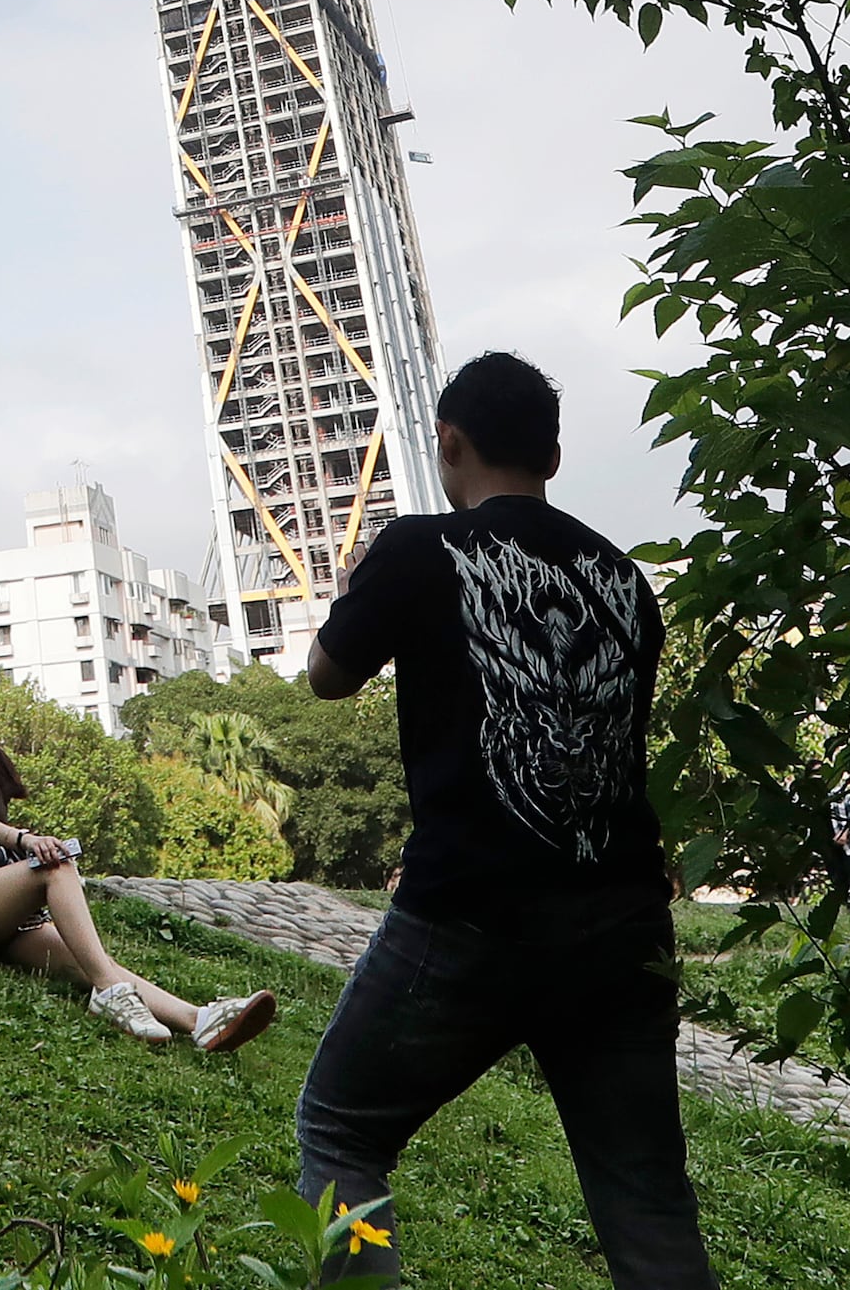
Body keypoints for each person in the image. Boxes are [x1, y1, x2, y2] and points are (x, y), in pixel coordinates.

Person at [293, 352, 715, 1286]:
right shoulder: (626, 583)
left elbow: (324, 677)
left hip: (471, 909)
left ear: (449, 442)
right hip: (621, 918)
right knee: (645, 1195)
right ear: (553, 455)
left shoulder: (418, 548)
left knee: (340, 1126)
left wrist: (367, 583)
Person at [0, 664, 278, 1051]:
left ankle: (198, 1021)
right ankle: (110, 995)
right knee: (54, 866)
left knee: (90, 959)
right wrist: (26, 841)